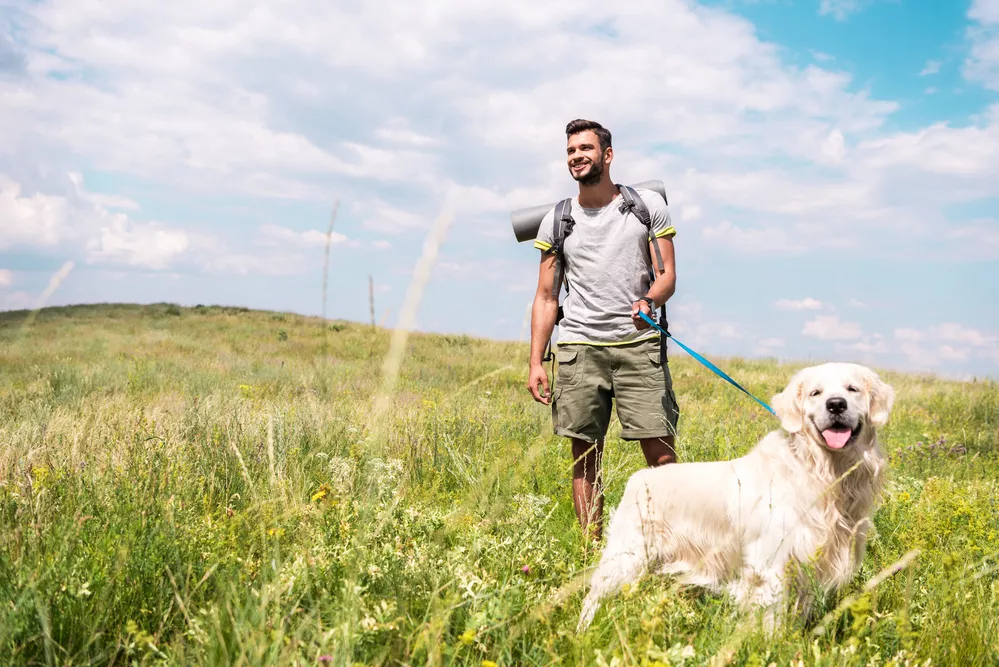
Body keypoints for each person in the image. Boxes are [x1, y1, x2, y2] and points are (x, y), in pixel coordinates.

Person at [527, 119, 680, 542]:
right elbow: (545, 297)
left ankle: (670, 547)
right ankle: (591, 556)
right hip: (578, 347)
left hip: (638, 345)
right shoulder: (557, 220)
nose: (577, 156)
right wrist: (535, 361)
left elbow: (667, 277)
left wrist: (649, 301)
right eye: (571, 151)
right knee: (584, 456)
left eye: (585, 148)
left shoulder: (645, 207)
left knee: (661, 456)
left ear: (607, 155)